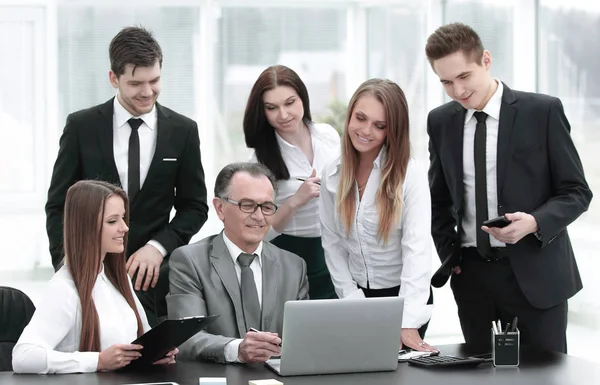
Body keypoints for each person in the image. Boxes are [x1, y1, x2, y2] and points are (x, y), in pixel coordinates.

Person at [425, 23, 593, 353]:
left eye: (464, 76)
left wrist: (534, 222)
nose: (457, 91)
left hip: (536, 273)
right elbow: (438, 198)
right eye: (446, 81)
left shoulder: (542, 111)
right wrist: (451, 253)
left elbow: (576, 191)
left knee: (544, 377)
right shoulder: (440, 121)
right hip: (473, 278)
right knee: (481, 375)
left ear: (485, 60)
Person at [45, 26, 209, 326]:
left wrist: (157, 248)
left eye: (155, 81)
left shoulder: (184, 131)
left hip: (153, 279)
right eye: (135, 83)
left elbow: (195, 207)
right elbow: (59, 206)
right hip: (89, 277)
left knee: (152, 362)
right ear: (113, 79)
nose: (147, 92)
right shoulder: (81, 126)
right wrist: (67, 263)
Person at [12, 181, 177, 374]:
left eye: (123, 218)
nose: (124, 228)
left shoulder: (118, 277)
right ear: (86, 226)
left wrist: (157, 351)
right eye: (112, 221)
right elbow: (23, 357)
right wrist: (97, 361)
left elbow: (143, 334)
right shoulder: (64, 288)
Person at [320, 79, 436, 352]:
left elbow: (416, 250)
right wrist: (352, 299)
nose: (365, 131)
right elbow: (332, 243)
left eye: (379, 125)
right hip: (356, 294)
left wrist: (406, 322)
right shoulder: (331, 174)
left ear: (392, 130)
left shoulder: (411, 175)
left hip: (405, 297)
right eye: (360, 118)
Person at [167, 162, 309, 364]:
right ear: (220, 207)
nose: (259, 216)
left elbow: (304, 338)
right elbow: (186, 339)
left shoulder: (294, 266)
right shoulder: (189, 261)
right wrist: (237, 349)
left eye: (267, 207)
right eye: (248, 205)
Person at [244, 65, 339, 299]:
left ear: (302, 98)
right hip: (291, 255)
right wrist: (296, 200)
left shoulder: (328, 136)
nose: (284, 115)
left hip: (337, 251)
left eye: (290, 103)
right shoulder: (259, 160)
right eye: (272, 108)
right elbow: (260, 232)